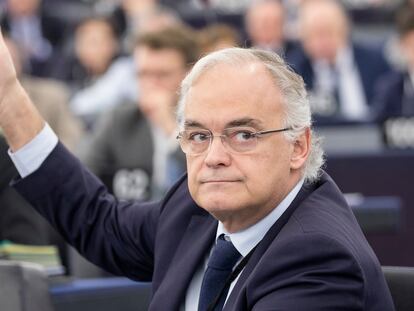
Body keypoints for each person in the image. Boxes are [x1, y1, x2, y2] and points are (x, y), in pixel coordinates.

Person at [0, 29, 394, 310]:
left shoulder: (317, 258)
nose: (214, 156)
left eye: (243, 135)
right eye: (199, 135)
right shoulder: (196, 208)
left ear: (298, 146)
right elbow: (98, 221)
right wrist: (9, 99)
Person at [78, 27, 197, 200]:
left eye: (162, 75)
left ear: (189, 74)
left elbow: (207, 170)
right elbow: (81, 175)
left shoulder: (205, 120)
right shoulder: (120, 119)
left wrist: (170, 129)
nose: (150, 84)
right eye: (143, 74)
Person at [289, 0, 390, 122]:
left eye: (329, 32)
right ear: (304, 38)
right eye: (316, 35)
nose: (323, 42)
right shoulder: (295, 71)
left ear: (343, 30)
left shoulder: (375, 61)